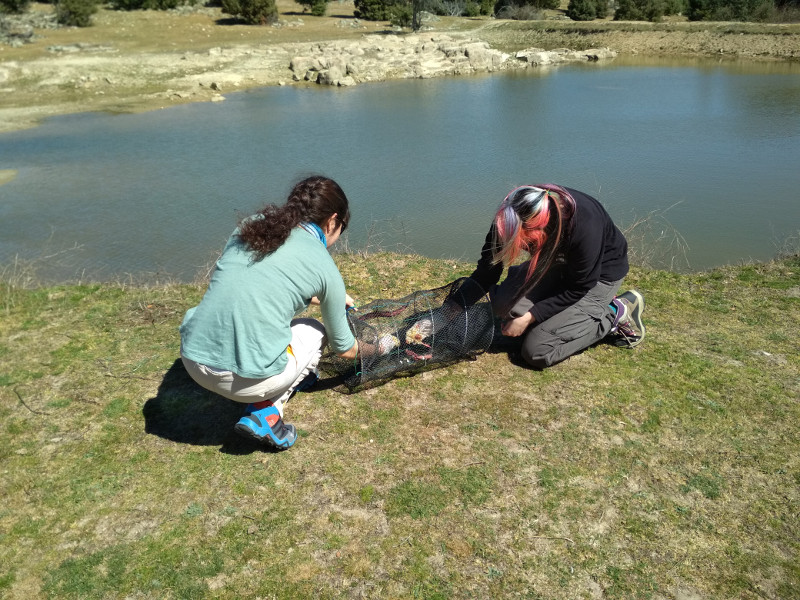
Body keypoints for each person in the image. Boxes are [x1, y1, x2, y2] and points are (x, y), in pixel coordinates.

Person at [179, 175, 359, 451]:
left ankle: (273, 389)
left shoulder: (253, 225)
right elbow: (344, 348)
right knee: (313, 330)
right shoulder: (323, 263)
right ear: (333, 221)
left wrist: (320, 296)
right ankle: (267, 413)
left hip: (192, 361)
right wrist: (379, 347)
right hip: (243, 384)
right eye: (340, 228)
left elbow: (252, 281)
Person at [468, 183, 646, 369]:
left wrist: (528, 317)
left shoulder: (585, 223)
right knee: (502, 305)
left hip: (596, 278)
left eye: (525, 240)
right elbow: (486, 272)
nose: (521, 245)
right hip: (557, 265)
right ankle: (557, 318)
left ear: (540, 227)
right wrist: (448, 312)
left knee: (536, 351)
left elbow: (579, 287)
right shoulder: (511, 215)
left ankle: (615, 312)